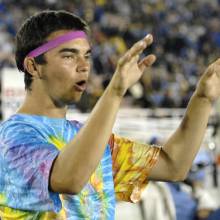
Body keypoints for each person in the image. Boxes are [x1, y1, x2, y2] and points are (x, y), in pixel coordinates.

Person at [0, 10, 220, 220]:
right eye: (68, 56)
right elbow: (69, 179)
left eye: (86, 56)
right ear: (33, 66)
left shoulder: (87, 139)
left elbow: (173, 166)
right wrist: (115, 91)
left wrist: (203, 98)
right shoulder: (10, 141)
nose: (84, 66)